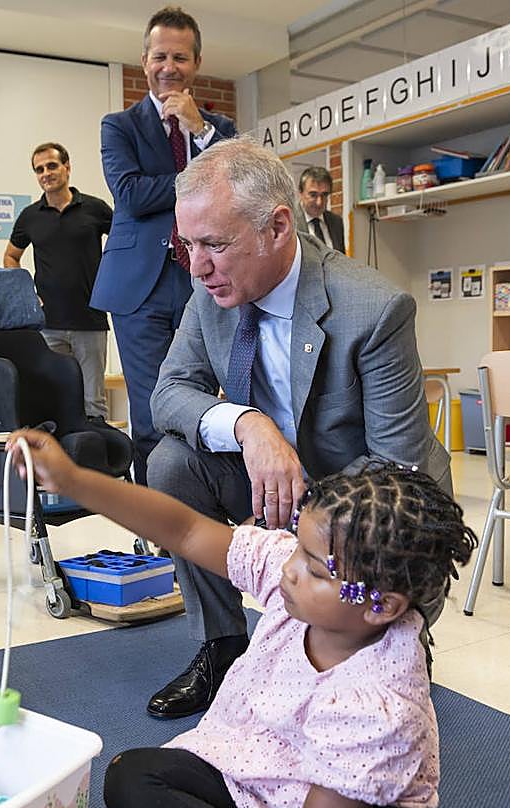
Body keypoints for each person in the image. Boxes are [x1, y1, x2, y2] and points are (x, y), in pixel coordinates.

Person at [7, 429, 475, 808]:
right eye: (298, 549)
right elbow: (186, 531)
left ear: (382, 605)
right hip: (253, 773)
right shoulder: (289, 576)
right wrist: (74, 481)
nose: (289, 570)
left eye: (314, 569)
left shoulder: (378, 704)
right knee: (130, 776)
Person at [146, 137, 451, 719]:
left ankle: (395, 633)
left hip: (370, 497)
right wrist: (249, 425)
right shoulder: (210, 293)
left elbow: (396, 468)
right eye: (186, 246)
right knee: (169, 464)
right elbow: (169, 395)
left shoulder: (374, 308)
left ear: (278, 227)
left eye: (214, 244)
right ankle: (223, 646)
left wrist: (307, 537)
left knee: (356, 698)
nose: (199, 266)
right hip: (274, 481)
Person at [92, 6, 236, 483]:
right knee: (151, 404)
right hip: (141, 287)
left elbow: (238, 186)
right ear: (144, 60)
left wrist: (200, 132)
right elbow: (129, 194)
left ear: (196, 63)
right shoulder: (119, 126)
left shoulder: (220, 131)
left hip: (207, 280)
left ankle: (195, 495)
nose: (168, 67)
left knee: (202, 397)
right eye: (159, 56)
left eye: (179, 57)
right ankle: (159, 518)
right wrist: (198, 182)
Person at [4, 142, 113, 421]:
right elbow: (10, 256)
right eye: (39, 169)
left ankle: (96, 461)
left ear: (67, 167)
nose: (46, 173)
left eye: (52, 165)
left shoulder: (95, 209)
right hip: (48, 324)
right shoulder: (30, 217)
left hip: (90, 320)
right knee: (55, 402)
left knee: (93, 405)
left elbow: (124, 243)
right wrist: (27, 294)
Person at [297, 166, 345, 254]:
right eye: (313, 195)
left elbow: (341, 261)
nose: (319, 202)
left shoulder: (336, 222)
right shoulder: (290, 222)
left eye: (324, 195)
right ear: (300, 193)